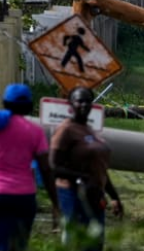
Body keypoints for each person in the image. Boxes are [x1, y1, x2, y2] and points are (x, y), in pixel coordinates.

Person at [0, 83, 60, 251]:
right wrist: (56, 203)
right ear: (29, 106)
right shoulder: (36, 132)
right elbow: (45, 169)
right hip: (24, 199)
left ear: (5, 103)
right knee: (18, 247)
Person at [52, 86, 122, 251]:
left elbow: (99, 168)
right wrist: (82, 178)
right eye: (79, 101)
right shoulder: (66, 130)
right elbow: (54, 167)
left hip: (95, 195)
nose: (84, 105)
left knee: (95, 244)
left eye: (87, 101)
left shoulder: (89, 130)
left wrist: (114, 196)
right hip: (73, 195)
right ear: (71, 104)